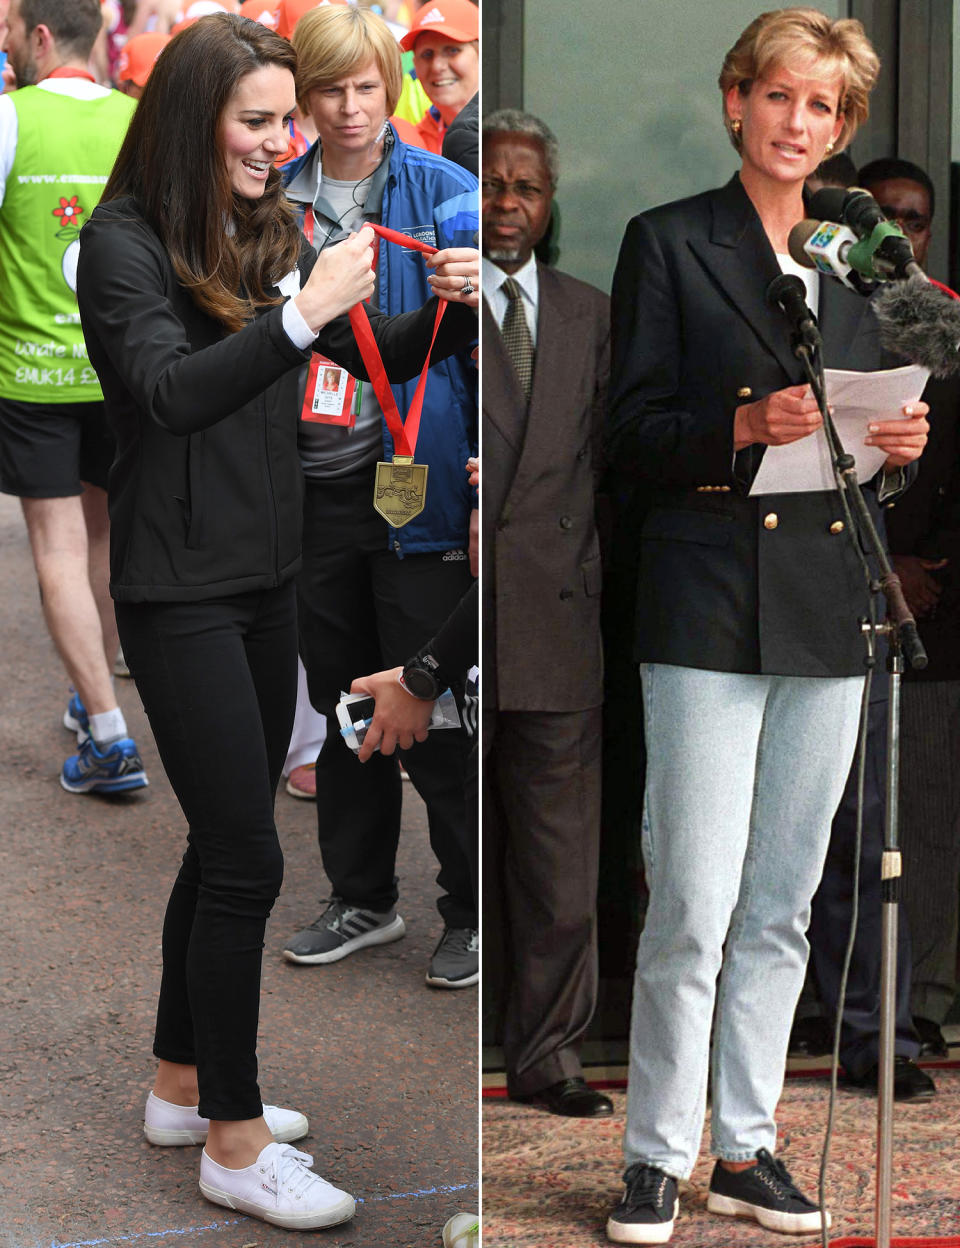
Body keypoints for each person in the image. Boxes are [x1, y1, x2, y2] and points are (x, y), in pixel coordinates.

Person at [75, 12, 477, 1231]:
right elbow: (169, 390)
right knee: (247, 855)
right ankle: (235, 1145)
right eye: (258, 122)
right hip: (178, 585)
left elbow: (369, 355)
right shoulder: (123, 242)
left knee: (224, 845)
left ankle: (182, 1088)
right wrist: (302, 308)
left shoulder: (266, 224)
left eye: (284, 121)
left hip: (268, 576)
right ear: (193, 121)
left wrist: (447, 308)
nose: (281, 142)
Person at [604, 10, 929, 1243]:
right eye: (781, 98)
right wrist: (740, 430)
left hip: (832, 603)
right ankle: (653, 1156)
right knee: (691, 896)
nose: (801, 125)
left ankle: (746, 1147)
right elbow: (625, 440)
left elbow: (875, 430)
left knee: (784, 902)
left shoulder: (864, 256)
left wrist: (899, 447)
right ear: (737, 99)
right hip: (705, 599)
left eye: (826, 109)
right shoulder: (669, 240)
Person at [279, 3, 479, 989]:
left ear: (388, 86)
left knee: (432, 701)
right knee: (341, 694)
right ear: (304, 96)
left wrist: (490, 481)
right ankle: (361, 897)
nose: (350, 108)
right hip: (314, 487)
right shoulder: (278, 199)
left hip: (421, 483)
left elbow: (491, 351)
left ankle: (473, 909)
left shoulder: (445, 188)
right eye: (330, 90)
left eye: (365, 86)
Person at [482, 110, 612, 1117]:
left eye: (527, 186)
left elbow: (612, 472)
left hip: (559, 617)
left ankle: (549, 1053)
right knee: (459, 849)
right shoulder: (433, 304)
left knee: (560, 864)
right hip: (449, 608)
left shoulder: (588, 313)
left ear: (549, 202)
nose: (509, 203)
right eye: (491, 183)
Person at [0, 0, 144, 794]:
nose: (9, 45)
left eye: (13, 32)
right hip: (121, 370)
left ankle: (110, 734)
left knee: (55, 542)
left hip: (33, 371)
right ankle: (92, 691)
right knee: (106, 530)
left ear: (42, 36)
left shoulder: (10, 119)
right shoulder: (137, 123)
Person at [863, 156, 960, 1065]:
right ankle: (840, 1009)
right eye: (885, 213)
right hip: (833, 593)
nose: (902, 231)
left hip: (936, 612)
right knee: (837, 827)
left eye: (915, 219)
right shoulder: (825, 309)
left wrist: (929, 569)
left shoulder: (950, 321)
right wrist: (883, 557)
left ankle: (914, 1006)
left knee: (923, 818)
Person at [395, 0, 477, 155]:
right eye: (427, 54)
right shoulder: (411, 145)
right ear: (415, 65)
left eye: (452, 50)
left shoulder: (501, 136)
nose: (437, 66)